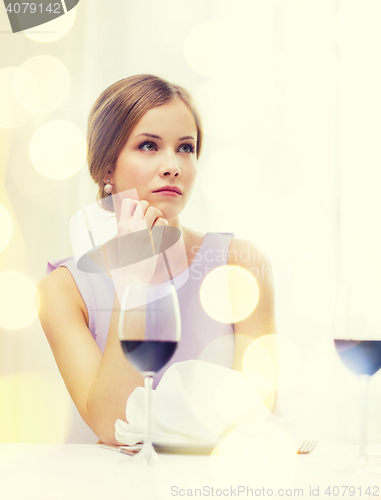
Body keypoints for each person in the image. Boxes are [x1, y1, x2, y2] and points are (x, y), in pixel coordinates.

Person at [37, 74, 276, 445]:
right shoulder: (63, 291)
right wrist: (134, 281)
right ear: (106, 169)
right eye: (149, 146)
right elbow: (112, 425)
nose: (173, 165)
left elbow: (259, 412)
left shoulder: (240, 264)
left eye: (185, 148)